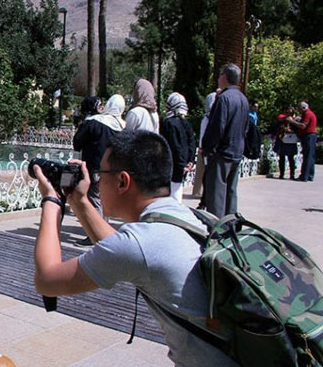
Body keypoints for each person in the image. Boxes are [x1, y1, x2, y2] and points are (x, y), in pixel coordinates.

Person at [32, 130, 238, 367]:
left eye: (101, 174)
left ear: (122, 181)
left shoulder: (140, 245)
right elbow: (122, 249)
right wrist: (78, 201)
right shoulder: (193, 217)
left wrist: (51, 200)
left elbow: (46, 280)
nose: (96, 182)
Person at [72, 95, 126, 243]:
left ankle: (94, 234)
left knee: (94, 199)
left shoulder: (95, 123)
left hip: (95, 167)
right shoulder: (122, 126)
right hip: (113, 170)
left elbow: (78, 141)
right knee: (103, 199)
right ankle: (104, 229)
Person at [201, 63, 249, 218]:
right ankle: (230, 225)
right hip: (236, 151)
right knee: (231, 192)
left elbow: (217, 127)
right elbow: (246, 127)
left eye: (220, 74)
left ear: (225, 77)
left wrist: (208, 149)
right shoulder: (243, 99)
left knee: (217, 195)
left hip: (222, 153)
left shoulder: (224, 98)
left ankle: (216, 229)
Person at [161, 92, 196, 202]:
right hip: (182, 164)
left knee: (171, 194)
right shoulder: (186, 123)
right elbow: (191, 143)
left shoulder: (169, 123)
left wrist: (180, 164)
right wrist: (189, 161)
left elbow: (174, 145)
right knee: (177, 192)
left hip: (172, 164)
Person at [192, 92, 217, 207]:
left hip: (206, 150)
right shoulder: (210, 117)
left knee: (206, 174)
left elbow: (203, 134)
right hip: (207, 149)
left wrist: (202, 147)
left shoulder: (209, 118)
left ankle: (205, 199)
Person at [288, 101, 317, 182]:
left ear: (304, 108)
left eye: (300, 109)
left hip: (308, 136)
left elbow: (303, 126)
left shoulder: (307, 114)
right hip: (310, 136)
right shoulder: (308, 114)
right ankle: (310, 175)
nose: (299, 111)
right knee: (310, 156)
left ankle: (304, 176)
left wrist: (292, 121)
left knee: (307, 156)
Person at [274, 105, 298, 180]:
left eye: (291, 110)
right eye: (288, 110)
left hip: (291, 139)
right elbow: (277, 126)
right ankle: (282, 174)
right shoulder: (281, 118)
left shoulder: (295, 120)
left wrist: (292, 128)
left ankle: (292, 174)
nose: (289, 112)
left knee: (291, 157)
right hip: (283, 139)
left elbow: (297, 129)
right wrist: (284, 128)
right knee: (282, 157)